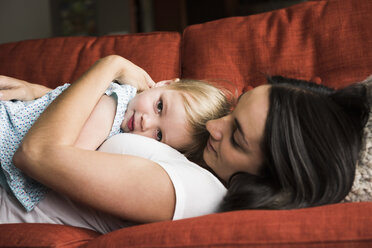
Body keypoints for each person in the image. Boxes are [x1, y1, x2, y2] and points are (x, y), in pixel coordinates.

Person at [4, 55, 370, 233]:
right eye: (234, 109)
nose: (213, 125)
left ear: (265, 179)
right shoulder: (200, 166)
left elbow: (36, 155)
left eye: (237, 137)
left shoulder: (192, 193)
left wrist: (109, 65)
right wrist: (45, 97)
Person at [0, 65, 231, 212]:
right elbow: (62, 156)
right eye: (159, 106)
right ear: (166, 83)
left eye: (159, 135)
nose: (146, 122)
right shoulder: (115, 103)